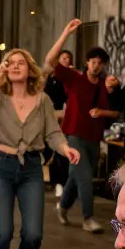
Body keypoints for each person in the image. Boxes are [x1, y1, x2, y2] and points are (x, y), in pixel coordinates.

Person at [0, 49, 81, 249]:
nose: (16, 66)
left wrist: (65, 148)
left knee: (33, 234)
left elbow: (53, 133)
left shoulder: (43, 100)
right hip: (0, 167)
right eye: (10, 63)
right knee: (2, 233)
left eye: (21, 63)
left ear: (30, 69)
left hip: (31, 169)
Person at [46, 19, 114, 234]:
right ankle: (88, 218)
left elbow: (115, 112)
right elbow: (50, 60)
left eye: (100, 63)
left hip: (94, 136)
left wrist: (102, 112)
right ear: (86, 63)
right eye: (93, 61)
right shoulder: (74, 78)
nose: (96, 65)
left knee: (76, 177)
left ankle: (63, 206)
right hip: (73, 134)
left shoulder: (105, 86)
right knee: (84, 176)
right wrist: (67, 31)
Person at [42, 50, 73, 191]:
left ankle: (60, 182)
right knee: (47, 149)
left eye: (68, 58)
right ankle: (52, 179)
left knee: (60, 148)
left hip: (62, 117)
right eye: (63, 58)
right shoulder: (47, 78)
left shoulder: (69, 79)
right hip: (46, 116)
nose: (65, 60)